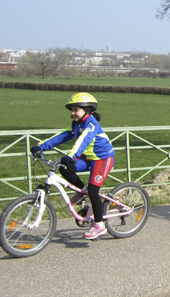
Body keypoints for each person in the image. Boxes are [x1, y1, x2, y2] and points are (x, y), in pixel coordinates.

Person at [30, 92, 116, 240]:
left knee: (94, 191)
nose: (72, 113)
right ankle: (83, 191)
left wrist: (70, 156)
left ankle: (99, 224)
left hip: (103, 159)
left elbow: (82, 141)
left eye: (76, 110)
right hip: (88, 158)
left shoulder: (91, 125)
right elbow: (62, 136)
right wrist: (41, 147)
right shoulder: (76, 125)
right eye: (72, 110)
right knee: (64, 168)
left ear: (87, 110)